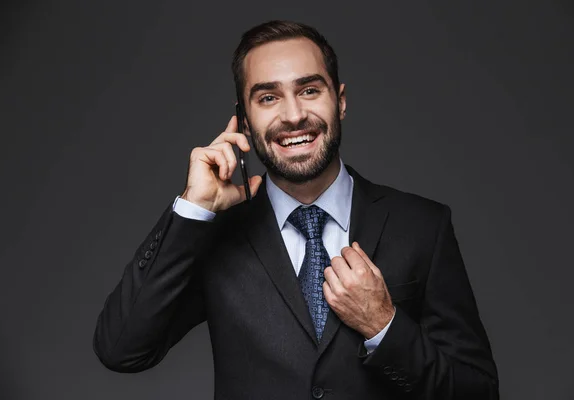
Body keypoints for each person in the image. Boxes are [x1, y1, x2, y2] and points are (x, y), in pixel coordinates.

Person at [93, 20, 499, 399]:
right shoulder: (215, 233)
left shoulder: (423, 226)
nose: (293, 116)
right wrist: (193, 209)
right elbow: (122, 350)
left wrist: (384, 327)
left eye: (309, 90)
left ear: (339, 101)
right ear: (244, 122)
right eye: (268, 97)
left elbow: (477, 390)